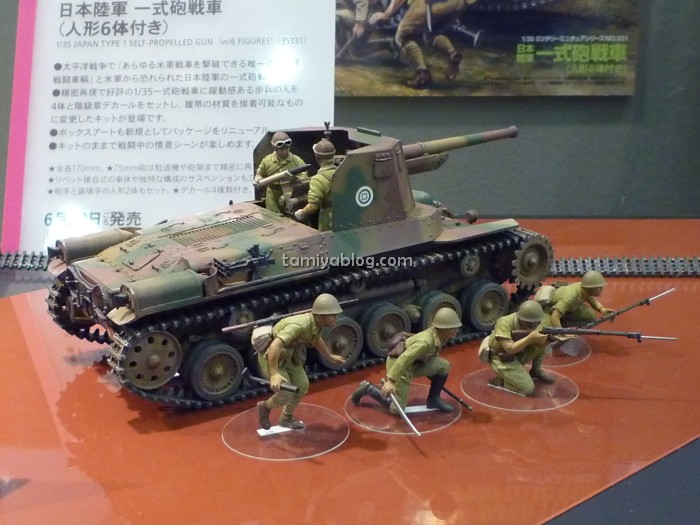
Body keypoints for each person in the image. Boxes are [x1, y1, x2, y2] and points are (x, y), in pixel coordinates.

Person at [256, 294, 346, 430]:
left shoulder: (317, 324)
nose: (336, 317)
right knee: (285, 393)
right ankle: (265, 407)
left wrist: (329, 356)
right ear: (320, 316)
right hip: (271, 357)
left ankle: (286, 418)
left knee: (302, 385)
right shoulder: (299, 326)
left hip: (288, 355)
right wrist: (274, 374)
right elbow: (274, 347)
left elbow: (316, 339)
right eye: (332, 315)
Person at [351, 307, 462, 414]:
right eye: (453, 328)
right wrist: (391, 381)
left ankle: (434, 399)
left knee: (444, 366)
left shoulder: (438, 336)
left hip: (416, 362)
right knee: (397, 409)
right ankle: (369, 389)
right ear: (442, 329)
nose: (457, 330)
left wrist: (436, 375)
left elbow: (431, 355)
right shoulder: (424, 343)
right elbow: (404, 358)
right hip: (400, 365)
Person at [369, 0, 477, 89]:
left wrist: (387, 14)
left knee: (403, 36)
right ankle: (453, 54)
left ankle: (422, 74)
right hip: (460, 3)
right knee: (431, 34)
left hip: (433, 3)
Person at [484, 300, 553, 396]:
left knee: (540, 345)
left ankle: (535, 371)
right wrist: (530, 337)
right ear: (522, 319)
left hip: (518, 353)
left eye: (537, 323)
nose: (535, 325)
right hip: (501, 358)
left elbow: (539, 343)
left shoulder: (536, 321)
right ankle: (501, 382)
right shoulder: (504, 323)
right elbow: (510, 349)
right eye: (531, 323)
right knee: (527, 389)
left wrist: (550, 339)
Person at [255, 131, 308, 213]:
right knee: (272, 217)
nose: (285, 151)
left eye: (287, 148)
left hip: (291, 194)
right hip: (273, 195)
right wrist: (258, 179)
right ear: (275, 148)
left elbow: (304, 179)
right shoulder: (267, 160)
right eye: (282, 149)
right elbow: (259, 173)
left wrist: (293, 179)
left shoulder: (297, 160)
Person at [542, 270, 615, 328]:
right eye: (599, 287)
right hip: (550, 309)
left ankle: (564, 323)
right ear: (591, 288)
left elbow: (594, 303)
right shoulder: (569, 298)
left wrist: (602, 309)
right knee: (544, 332)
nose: (601, 289)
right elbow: (554, 317)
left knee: (590, 315)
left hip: (568, 308)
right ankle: (560, 326)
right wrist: (561, 333)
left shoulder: (586, 290)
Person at [294, 136, 337, 231]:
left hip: (328, 218)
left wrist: (301, 213)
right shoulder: (342, 171)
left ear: (317, 158)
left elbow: (313, 206)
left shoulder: (317, 179)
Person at [335, 0, 400, 62]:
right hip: (362, 11)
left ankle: (343, 55)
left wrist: (359, 23)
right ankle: (387, 43)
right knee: (356, 51)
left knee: (335, 18)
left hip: (370, 13)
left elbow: (362, 2)